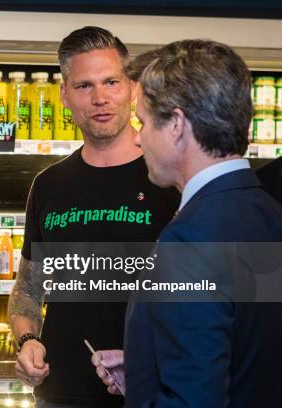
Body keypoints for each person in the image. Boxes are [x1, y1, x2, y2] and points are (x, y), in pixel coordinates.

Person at [92, 40, 282, 407]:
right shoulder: (268, 214)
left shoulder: (190, 241)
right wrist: (149, 375)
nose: (137, 137)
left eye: (143, 122)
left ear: (176, 125)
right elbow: (248, 356)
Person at [7, 26, 179, 408]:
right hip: (60, 391)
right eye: (84, 86)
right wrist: (27, 339)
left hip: (152, 392)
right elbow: (28, 289)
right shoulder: (48, 185)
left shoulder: (171, 177)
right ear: (64, 94)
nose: (100, 98)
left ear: (133, 87)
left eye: (112, 82)